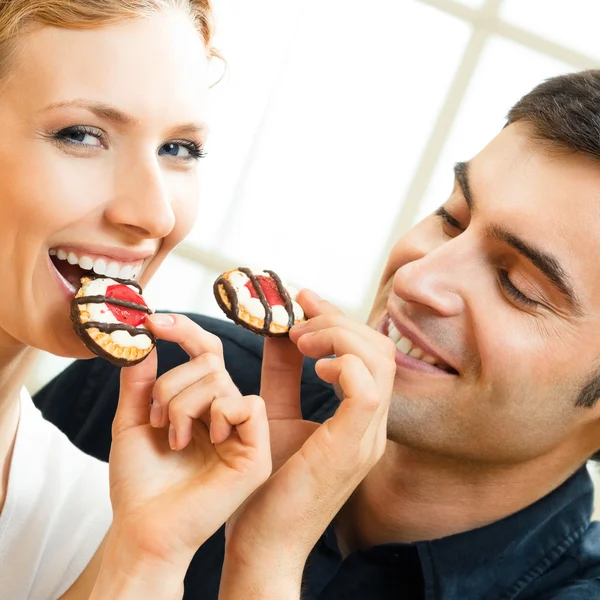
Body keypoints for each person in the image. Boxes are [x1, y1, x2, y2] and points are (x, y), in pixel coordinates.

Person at [38, 69, 600, 599]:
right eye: (450, 217)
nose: (415, 276)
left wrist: (264, 559)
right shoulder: (158, 386)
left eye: (519, 285)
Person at [0, 1, 293, 598]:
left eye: (179, 149)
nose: (154, 213)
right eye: (81, 135)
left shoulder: (89, 517)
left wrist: (149, 560)